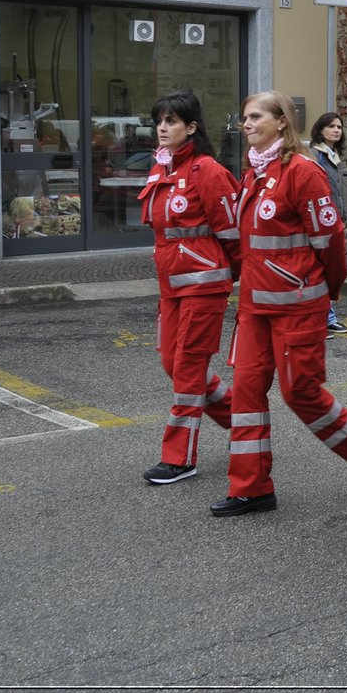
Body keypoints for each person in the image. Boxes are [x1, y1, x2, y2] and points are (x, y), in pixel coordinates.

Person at [214, 91, 347, 516]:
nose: (246, 123)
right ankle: (251, 487)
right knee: (245, 393)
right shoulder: (254, 174)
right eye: (243, 117)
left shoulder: (303, 173)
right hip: (255, 308)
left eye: (255, 116)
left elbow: (329, 244)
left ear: (281, 122)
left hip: (298, 306)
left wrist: (327, 292)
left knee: (300, 392)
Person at [139, 90, 241, 485]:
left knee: (187, 369)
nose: (163, 128)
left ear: (191, 128)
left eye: (172, 122)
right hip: (172, 286)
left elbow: (232, 234)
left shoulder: (208, 171)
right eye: (159, 121)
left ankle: (179, 458)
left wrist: (237, 276)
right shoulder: (160, 168)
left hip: (204, 285)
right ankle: (242, 420)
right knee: (172, 363)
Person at [308, 112, 347, 335]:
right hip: (320, 224)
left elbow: (339, 193)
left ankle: (326, 318)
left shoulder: (333, 155)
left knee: (330, 271)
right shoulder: (314, 155)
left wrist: (346, 221)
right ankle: (322, 319)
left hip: (335, 221)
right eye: (331, 126)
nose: (336, 130)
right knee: (318, 271)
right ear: (320, 129)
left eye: (339, 127)